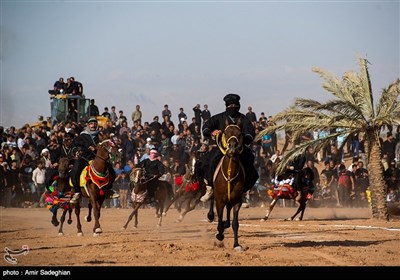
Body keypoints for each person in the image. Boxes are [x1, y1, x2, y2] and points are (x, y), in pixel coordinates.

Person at [200, 93, 259, 202]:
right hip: (222, 149)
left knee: (250, 162)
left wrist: (243, 138)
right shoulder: (218, 118)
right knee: (208, 161)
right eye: (230, 105)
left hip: (239, 149)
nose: (233, 107)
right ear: (226, 106)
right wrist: (212, 132)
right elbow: (206, 127)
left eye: (235, 105)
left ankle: (243, 191)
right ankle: (210, 188)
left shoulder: (243, 119)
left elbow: (250, 133)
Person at [70, 118, 119, 203]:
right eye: (91, 124)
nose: (93, 125)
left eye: (95, 124)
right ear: (88, 125)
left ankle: (109, 190)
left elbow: (108, 143)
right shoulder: (82, 136)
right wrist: (76, 151)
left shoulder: (100, 136)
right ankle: (77, 192)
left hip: (96, 158)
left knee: (111, 170)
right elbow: (73, 145)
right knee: (75, 170)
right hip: (83, 158)